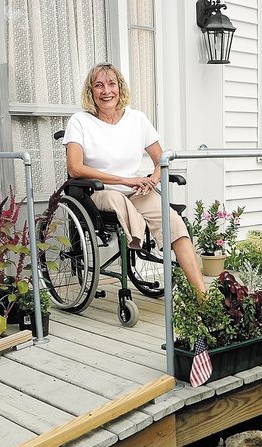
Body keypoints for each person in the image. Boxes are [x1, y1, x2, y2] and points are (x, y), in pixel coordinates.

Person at [63, 63, 206, 294]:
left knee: (176, 224)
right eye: (99, 85)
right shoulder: (80, 122)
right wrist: (125, 180)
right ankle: (138, 239)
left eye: (111, 84)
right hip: (98, 192)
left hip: (136, 190)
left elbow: (162, 159)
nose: (106, 91)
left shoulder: (137, 119)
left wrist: (153, 179)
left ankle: (203, 296)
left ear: (120, 87)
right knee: (118, 200)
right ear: (91, 91)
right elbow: (75, 168)